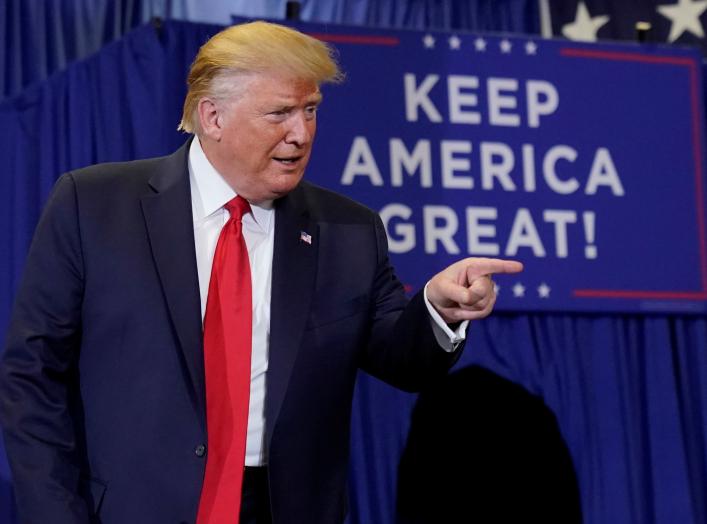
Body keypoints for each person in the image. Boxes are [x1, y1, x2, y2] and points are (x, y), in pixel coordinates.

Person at [0, 21, 522, 524]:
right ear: (213, 117)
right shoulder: (94, 205)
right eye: (279, 114)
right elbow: (32, 377)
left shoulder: (348, 230)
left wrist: (437, 307)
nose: (301, 133)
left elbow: (401, 359)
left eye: (311, 110)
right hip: (133, 506)